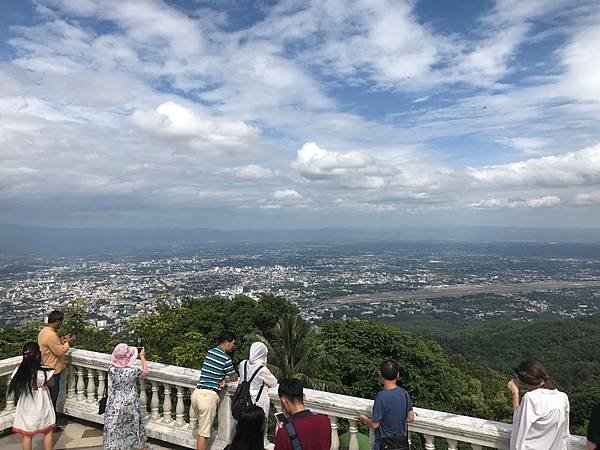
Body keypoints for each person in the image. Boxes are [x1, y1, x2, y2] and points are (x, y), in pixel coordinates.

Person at [507, 359, 570, 450]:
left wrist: (515, 392)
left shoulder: (531, 398)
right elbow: (565, 433)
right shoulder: (563, 397)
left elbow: (519, 425)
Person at [193, 330, 239, 450]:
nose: (234, 347)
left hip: (197, 393)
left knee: (201, 429)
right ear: (227, 343)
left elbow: (213, 371)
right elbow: (234, 377)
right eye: (233, 343)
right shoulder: (226, 359)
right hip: (207, 397)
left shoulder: (210, 352)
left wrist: (222, 377)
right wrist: (226, 377)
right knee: (204, 434)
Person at [357, 361, 415, 450]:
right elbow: (411, 418)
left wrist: (364, 419)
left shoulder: (381, 397)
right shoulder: (404, 393)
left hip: (384, 444)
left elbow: (375, 424)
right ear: (398, 375)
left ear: (380, 374)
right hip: (401, 443)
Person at [9, 342, 56, 450]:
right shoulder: (43, 370)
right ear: (37, 355)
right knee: (48, 430)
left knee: (27, 434)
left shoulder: (19, 370)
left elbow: (15, 384)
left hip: (26, 401)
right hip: (42, 400)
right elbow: (51, 384)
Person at [103, 343, 149, 450]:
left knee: (114, 425)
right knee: (132, 424)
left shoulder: (111, 369)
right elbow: (146, 372)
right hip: (129, 401)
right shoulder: (132, 371)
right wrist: (142, 357)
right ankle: (135, 445)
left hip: (114, 401)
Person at [38, 310, 75, 430]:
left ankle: (52, 420)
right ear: (57, 321)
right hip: (52, 369)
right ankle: (51, 423)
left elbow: (54, 346)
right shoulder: (51, 334)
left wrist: (62, 341)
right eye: (61, 322)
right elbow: (59, 351)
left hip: (47, 367)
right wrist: (68, 343)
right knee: (52, 397)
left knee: (50, 396)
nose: (62, 324)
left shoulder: (44, 332)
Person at [274, 378, 331, 450]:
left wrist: (279, 435)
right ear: (303, 396)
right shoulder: (325, 421)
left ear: (284, 400)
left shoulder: (284, 433)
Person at [239, 342, 278, 444]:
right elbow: (273, 383)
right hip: (258, 401)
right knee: (258, 427)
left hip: (243, 399)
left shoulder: (243, 364)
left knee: (245, 427)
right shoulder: (262, 369)